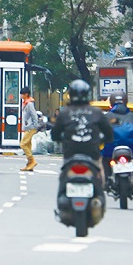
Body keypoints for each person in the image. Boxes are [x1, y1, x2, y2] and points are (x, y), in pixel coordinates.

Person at [50, 80, 113, 222]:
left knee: (63, 177)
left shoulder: (65, 113)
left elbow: (54, 135)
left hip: (70, 156)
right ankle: (99, 199)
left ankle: (61, 205)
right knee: (99, 176)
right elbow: (109, 134)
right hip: (92, 156)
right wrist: (104, 140)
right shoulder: (96, 112)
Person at [105, 91, 133, 183]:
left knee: (103, 159)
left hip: (110, 150)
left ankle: (105, 180)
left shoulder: (106, 117)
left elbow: (97, 132)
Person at [20, 86, 39, 171]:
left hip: (30, 127)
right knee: (28, 145)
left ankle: (32, 161)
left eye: (22, 94)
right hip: (28, 126)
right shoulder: (26, 103)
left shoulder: (29, 104)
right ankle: (29, 165)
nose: (20, 96)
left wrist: (35, 125)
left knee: (23, 144)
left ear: (26, 94)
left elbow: (34, 115)